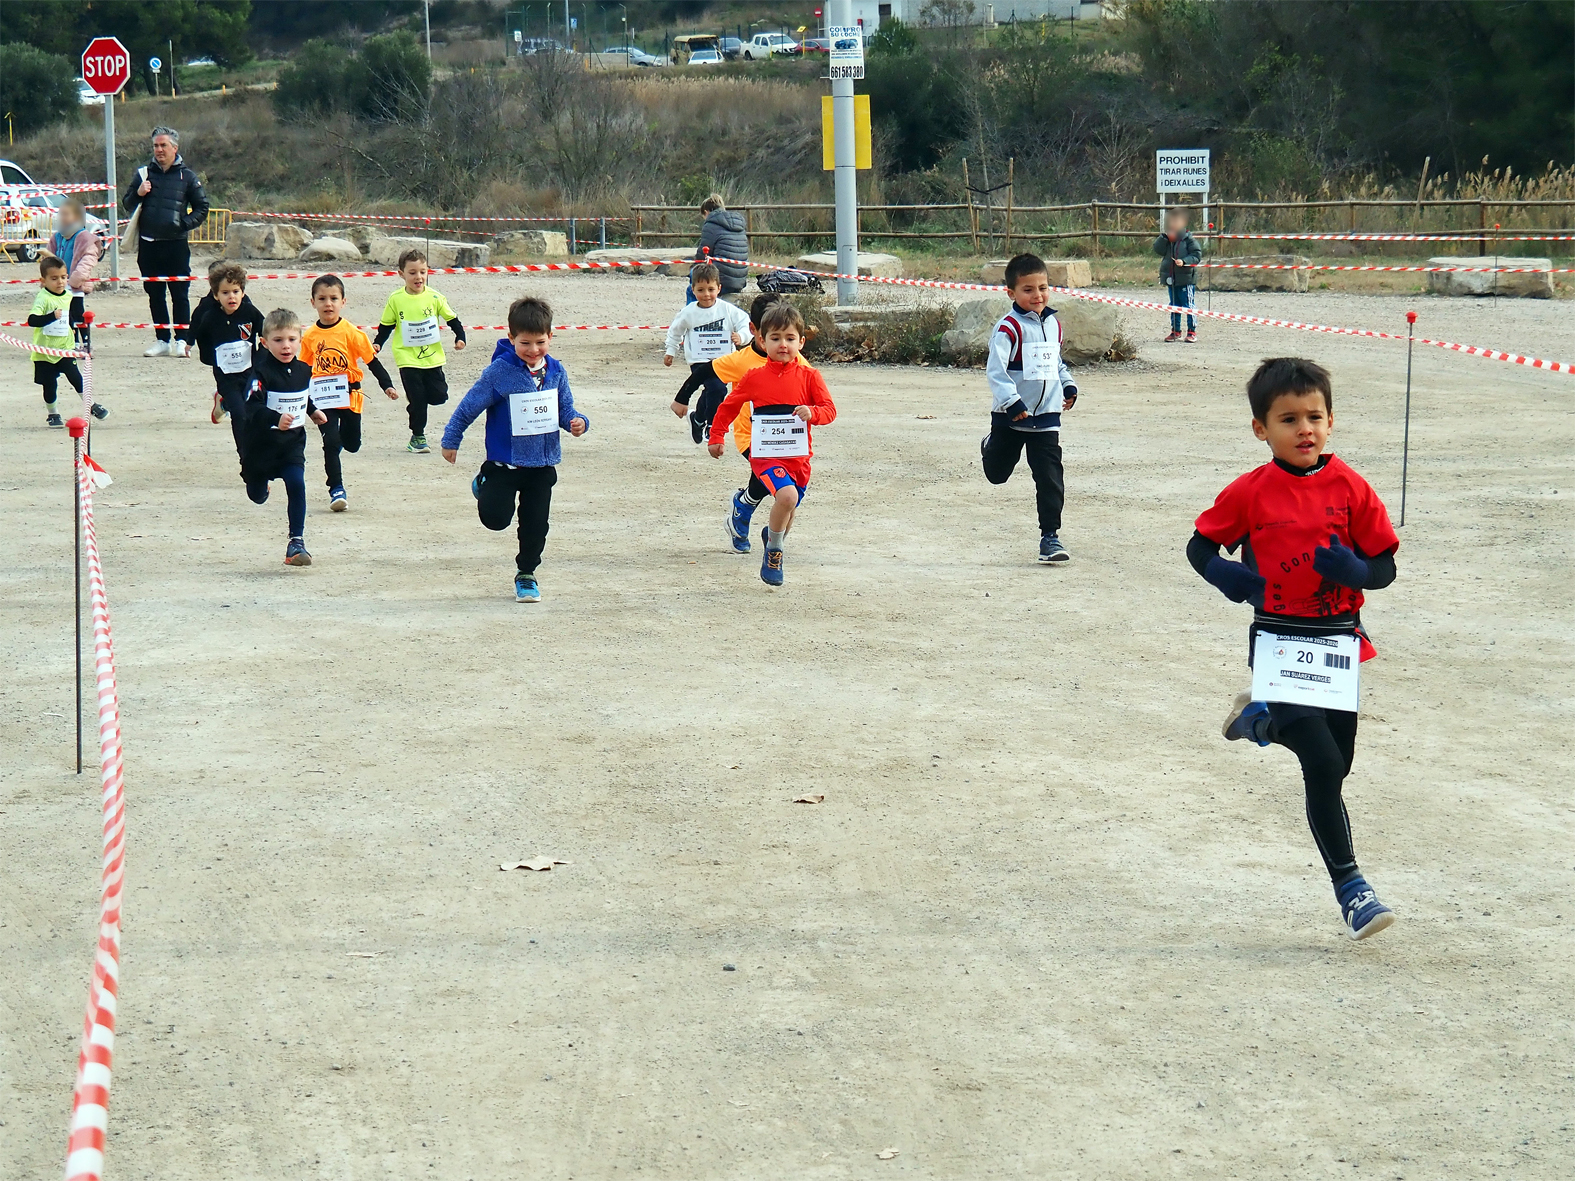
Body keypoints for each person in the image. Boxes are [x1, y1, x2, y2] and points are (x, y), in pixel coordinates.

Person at [1188, 357, 1400, 941]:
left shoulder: (1352, 488)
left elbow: (1385, 565)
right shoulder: (1250, 492)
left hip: (1338, 643)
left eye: (1314, 417)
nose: (1304, 429)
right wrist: (1225, 575)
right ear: (1261, 428)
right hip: (1279, 641)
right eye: (1288, 419)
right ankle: (1353, 890)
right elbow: (1199, 546)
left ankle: (1259, 723)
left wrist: (1359, 571)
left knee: (1337, 766)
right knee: (1323, 764)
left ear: (1331, 421)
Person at [440, 297, 587, 603]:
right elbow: (469, 406)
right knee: (496, 520)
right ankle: (483, 482)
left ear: (550, 336)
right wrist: (452, 438)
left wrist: (578, 422)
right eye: (525, 343)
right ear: (511, 338)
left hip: (542, 465)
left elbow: (564, 410)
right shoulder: (500, 372)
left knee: (536, 525)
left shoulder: (556, 371)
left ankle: (527, 574)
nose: (533, 350)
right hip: (504, 465)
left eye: (540, 342)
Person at [708, 301, 835, 587]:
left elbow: (829, 410)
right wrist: (716, 436)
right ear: (762, 341)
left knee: (789, 507)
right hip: (766, 455)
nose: (783, 345)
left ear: (801, 342)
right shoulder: (754, 377)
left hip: (798, 458)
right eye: (775, 338)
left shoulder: (810, 377)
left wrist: (813, 412)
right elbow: (729, 406)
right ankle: (774, 552)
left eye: (790, 338)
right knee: (786, 497)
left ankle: (773, 536)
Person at [981, 252, 1079, 564]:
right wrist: (1012, 402)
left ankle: (1050, 537)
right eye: (1028, 290)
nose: (1037, 295)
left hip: (1047, 417)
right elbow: (996, 371)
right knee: (997, 474)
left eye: (1043, 288)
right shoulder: (1008, 328)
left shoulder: (1053, 325)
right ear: (1011, 293)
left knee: (1050, 477)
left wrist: (1068, 385)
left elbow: (1056, 363)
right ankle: (989, 446)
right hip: (1011, 417)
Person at [301, 275, 397, 511]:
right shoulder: (310, 336)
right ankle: (336, 489)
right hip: (324, 398)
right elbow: (302, 368)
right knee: (330, 442)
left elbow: (372, 361)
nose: (328, 304)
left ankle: (343, 441)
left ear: (343, 302)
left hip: (350, 396)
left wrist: (387, 385)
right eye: (322, 299)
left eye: (334, 298)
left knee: (352, 444)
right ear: (313, 302)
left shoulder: (352, 333)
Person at [242, 309, 326, 567]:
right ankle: (261, 485)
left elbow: (302, 396)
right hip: (260, 447)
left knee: (296, 484)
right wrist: (275, 418)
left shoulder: (303, 370)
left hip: (291, 445)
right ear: (265, 343)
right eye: (278, 340)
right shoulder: (260, 373)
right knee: (256, 496)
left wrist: (313, 411)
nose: (286, 346)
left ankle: (296, 542)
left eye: (291, 339)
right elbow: (251, 406)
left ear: (300, 340)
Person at [122, 126, 209, 358]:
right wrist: (138, 193)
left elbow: (202, 207)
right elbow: (127, 203)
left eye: (163, 145)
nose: (159, 150)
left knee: (179, 293)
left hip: (175, 245)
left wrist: (183, 224)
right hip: (149, 244)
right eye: (156, 146)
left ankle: (182, 340)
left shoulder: (187, 177)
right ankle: (162, 340)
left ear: (174, 148)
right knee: (155, 294)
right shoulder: (143, 174)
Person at [373, 250, 465, 454]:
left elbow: (452, 318)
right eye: (412, 273)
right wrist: (378, 343)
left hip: (432, 358)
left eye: (422, 272)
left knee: (439, 396)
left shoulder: (435, 297)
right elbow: (386, 325)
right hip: (407, 358)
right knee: (419, 400)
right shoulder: (396, 299)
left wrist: (460, 337)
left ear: (428, 271)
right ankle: (417, 436)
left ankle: (416, 402)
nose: (418, 277)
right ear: (401, 274)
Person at [189, 260, 265, 466]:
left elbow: (266, 332)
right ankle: (245, 456)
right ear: (216, 295)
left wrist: (262, 357)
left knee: (255, 411)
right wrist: (201, 351)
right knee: (239, 414)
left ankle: (224, 404)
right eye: (225, 293)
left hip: (250, 373)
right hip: (226, 377)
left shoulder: (250, 312)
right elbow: (199, 333)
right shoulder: (210, 316)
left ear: (242, 293)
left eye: (235, 291)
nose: (231, 297)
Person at [664, 262, 749, 442]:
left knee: (713, 390)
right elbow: (675, 331)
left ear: (719, 288)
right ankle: (712, 425)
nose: (706, 294)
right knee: (717, 388)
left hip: (724, 360)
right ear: (693, 290)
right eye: (701, 290)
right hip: (699, 360)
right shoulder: (688, 313)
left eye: (711, 289)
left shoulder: (727, 310)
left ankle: (697, 419)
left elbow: (745, 324)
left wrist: (741, 337)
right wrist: (670, 351)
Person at [27, 255, 105, 427]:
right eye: (54, 278)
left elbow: (70, 316)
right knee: (50, 385)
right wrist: (51, 316)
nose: (60, 282)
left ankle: (91, 405)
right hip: (45, 352)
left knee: (76, 377)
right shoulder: (43, 298)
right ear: (43, 281)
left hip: (65, 349)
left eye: (63, 277)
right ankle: (53, 413)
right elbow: (32, 320)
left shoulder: (68, 295)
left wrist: (74, 332)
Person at [47, 196, 101, 352]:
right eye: (60, 214)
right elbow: (49, 257)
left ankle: (86, 343)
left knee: (78, 313)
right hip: (60, 284)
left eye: (66, 214)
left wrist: (77, 278)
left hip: (75, 285)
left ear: (76, 217)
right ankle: (72, 342)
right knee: (65, 315)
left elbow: (89, 258)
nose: (62, 217)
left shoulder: (84, 237)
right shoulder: (57, 237)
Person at [1154, 206, 1201, 342]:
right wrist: (1164, 238)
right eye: (1171, 222)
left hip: (1186, 279)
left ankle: (1191, 331)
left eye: (1176, 221)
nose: (1173, 224)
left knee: (1188, 304)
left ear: (1183, 223)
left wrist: (1185, 261)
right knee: (1174, 305)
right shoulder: (1168, 239)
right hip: (1172, 278)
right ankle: (1175, 330)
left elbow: (1196, 255)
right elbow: (1158, 250)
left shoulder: (1189, 239)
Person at [693, 193, 749, 298]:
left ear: (706, 212)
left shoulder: (711, 225)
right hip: (740, 280)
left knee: (693, 280)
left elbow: (703, 254)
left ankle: (696, 308)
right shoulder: (739, 224)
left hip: (722, 280)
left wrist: (693, 267)